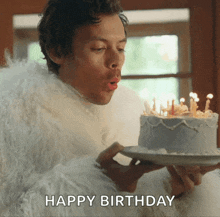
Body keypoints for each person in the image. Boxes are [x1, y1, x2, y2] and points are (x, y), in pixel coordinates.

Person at [1, 0, 220, 216]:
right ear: (56, 52)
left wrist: (169, 188)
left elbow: (130, 205)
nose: (116, 61)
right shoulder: (11, 116)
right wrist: (97, 182)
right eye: (99, 48)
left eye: (122, 48)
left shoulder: (132, 111)